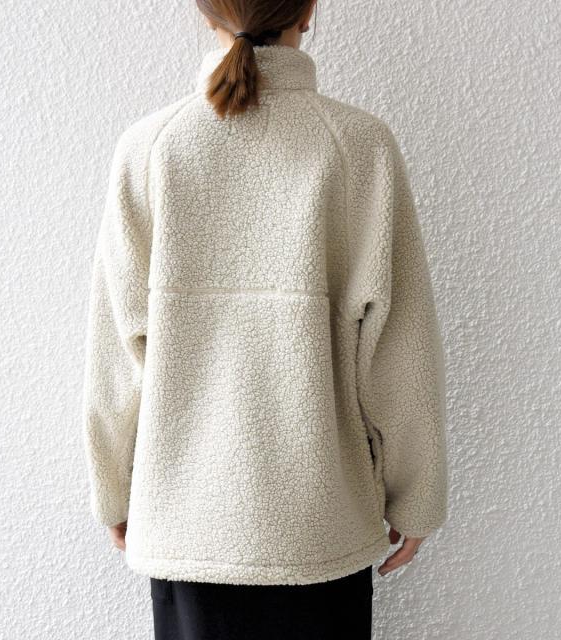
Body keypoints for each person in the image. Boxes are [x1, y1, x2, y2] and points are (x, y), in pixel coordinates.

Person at [81, 0, 448, 637]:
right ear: (308, 11)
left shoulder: (151, 147)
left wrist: (111, 489)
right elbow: (398, 353)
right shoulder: (358, 145)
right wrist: (416, 497)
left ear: (206, 14)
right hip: (319, 526)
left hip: (187, 528)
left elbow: (118, 350)